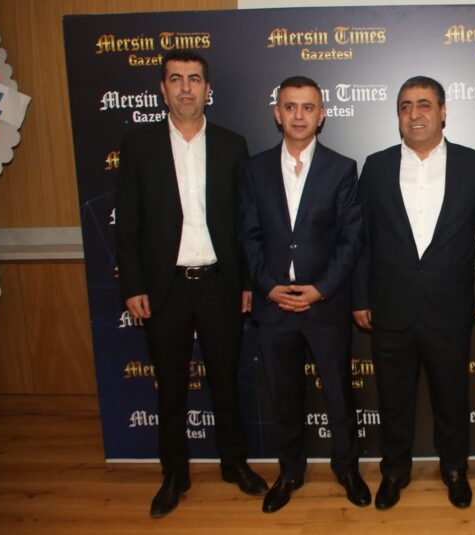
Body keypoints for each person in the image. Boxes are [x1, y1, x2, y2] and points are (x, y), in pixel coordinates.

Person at [115, 49, 267, 518]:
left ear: (207, 89)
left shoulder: (231, 145)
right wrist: (133, 285)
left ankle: (234, 463)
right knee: (171, 389)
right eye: (176, 79)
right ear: (163, 90)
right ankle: (174, 474)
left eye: (194, 79)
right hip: (166, 289)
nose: (186, 88)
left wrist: (247, 280)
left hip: (221, 284)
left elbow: (245, 221)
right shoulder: (138, 146)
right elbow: (128, 224)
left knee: (226, 383)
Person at [353, 76, 475, 510]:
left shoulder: (474, 165)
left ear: (443, 111)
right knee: (393, 398)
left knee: (452, 396)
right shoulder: (375, 167)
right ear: (398, 115)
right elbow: (361, 239)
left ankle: (454, 469)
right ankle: (395, 471)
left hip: (450, 307)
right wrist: (360, 297)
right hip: (389, 306)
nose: (414, 114)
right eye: (405, 106)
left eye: (424, 104)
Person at [236, 76, 370, 513]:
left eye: (308, 107)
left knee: (339, 394)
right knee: (283, 397)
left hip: (324, 305)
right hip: (273, 306)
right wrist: (267, 286)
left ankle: (347, 468)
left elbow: (351, 239)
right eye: (290, 107)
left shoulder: (342, 168)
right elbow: (248, 235)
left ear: (321, 115)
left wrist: (320, 289)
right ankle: (290, 471)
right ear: (277, 113)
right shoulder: (254, 169)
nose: (299, 115)